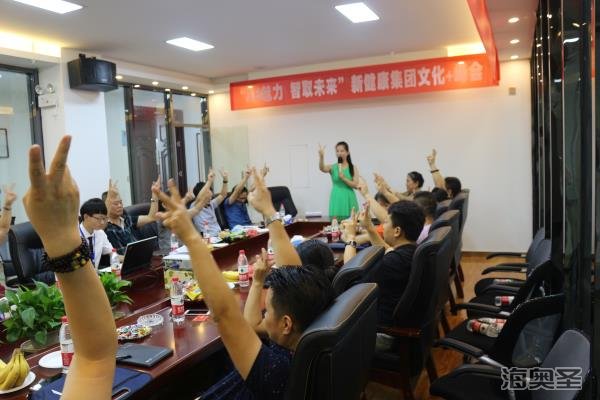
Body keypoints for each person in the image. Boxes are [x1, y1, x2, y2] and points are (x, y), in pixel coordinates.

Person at [153, 168, 334, 399]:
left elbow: (225, 314)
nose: (264, 316)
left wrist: (190, 238)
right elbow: (294, 272)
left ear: (286, 324)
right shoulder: (310, 330)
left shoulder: (275, 370)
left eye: (268, 311)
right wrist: (269, 212)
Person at [23, 135, 117, 399]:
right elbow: (95, 358)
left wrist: (58, 237)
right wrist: (62, 237)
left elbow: (94, 358)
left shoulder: (100, 234)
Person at [343, 201, 424, 329]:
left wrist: (351, 238)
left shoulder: (393, 262)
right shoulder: (414, 250)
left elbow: (350, 276)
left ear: (397, 231)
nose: (382, 226)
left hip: (382, 329)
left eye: (385, 222)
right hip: (408, 319)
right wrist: (369, 227)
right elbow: (388, 249)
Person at [104, 178, 160, 254]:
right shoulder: (104, 226)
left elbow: (152, 217)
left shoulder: (126, 219)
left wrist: (155, 195)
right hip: (120, 260)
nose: (120, 205)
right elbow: (104, 215)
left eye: (120, 202)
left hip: (139, 255)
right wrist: (109, 198)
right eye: (115, 204)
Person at [318, 141, 359, 221]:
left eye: (342, 151)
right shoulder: (332, 167)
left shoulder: (353, 167)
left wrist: (344, 179)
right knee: (336, 223)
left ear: (347, 152)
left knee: (352, 223)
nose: (339, 153)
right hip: (336, 197)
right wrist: (321, 157)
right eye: (337, 151)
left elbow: (356, 185)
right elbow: (322, 168)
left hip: (349, 197)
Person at [191, 168, 228, 236]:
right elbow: (200, 197)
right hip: (207, 238)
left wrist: (225, 180)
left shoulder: (211, 203)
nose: (210, 199)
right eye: (207, 197)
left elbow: (223, 195)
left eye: (211, 197)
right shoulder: (194, 206)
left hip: (219, 235)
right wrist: (209, 181)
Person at [79, 198, 114, 269]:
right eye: (98, 219)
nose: (102, 222)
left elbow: (112, 254)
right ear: (86, 217)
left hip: (96, 274)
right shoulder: (75, 236)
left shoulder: (100, 233)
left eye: (104, 218)